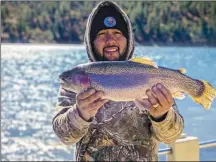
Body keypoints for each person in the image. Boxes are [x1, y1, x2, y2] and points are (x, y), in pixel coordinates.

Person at [52, 1, 184, 161]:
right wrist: (80, 113)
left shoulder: (151, 76)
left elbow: (172, 136)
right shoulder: (74, 84)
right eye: (101, 34)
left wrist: (162, 116)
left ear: (128, 40)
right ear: (91, 42)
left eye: (117, 33)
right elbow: (64, 136)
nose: (110, 40)